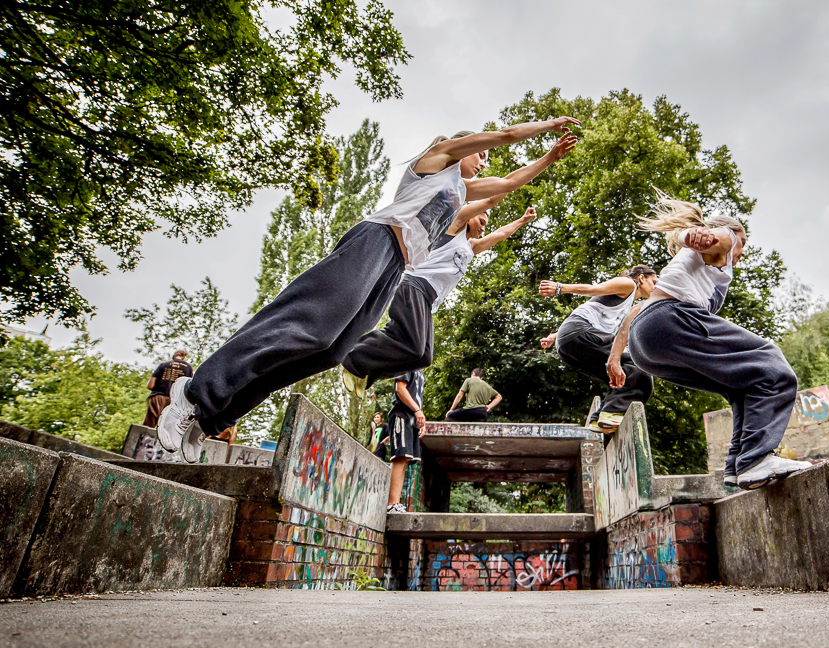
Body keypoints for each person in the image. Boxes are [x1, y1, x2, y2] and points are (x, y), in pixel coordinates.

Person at [157, 118, 580, 463]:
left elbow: (507, 184)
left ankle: (212, 418)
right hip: (375, 243)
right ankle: (194, 394)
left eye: (488, 157)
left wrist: (548, 157)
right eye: (481, 153)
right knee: (304, 325)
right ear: (460, 145)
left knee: (329, 350)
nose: (486, 160)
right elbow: (505, 136)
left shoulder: (460, 193)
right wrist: (549, 126)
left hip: (394, 270)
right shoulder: (435, 161)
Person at [606, 194, 810, 491]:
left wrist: (616, 354)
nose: (741, 253)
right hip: (669, 319)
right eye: (744, 244)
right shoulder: (726, 238)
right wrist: (690, 234)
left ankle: (741, 465)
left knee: (741, 384)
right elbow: (699, 237)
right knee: (770, 363)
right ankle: (756, 459)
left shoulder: (696, 268)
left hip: (645, 343)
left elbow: (634, 313)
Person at [342, 197, 538, 392]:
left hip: (427, 300)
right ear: (470, 217)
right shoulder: (454, 228)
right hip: (415, 284)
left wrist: (522, 220)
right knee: (415, 347)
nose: (483, 228)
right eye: (481, 222)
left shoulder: (471, 248)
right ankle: (354, 357)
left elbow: (500, 234)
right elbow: (488, 201)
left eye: (486, 225)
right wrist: (504, 190)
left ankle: (367, 372)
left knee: (424, 357)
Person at [538, 266, 657, 433]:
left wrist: (555, 336)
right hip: (581, 332)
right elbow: (594, 289)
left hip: (570, 341)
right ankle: (612, 412)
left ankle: (601, 420)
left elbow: (594, 314)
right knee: (639, 368)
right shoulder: (628, 285)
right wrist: (560, 287)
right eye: (654, 282)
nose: (655, 287)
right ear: (642, 278)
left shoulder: (628, 308)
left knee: (619, 376)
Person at [386, 370, 425, 514]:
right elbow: (400, 388)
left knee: (406, 460)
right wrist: (417, 410)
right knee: (400, 456)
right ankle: (391, 504)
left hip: (412, 419)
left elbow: (416, 397)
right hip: (401, 414)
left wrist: (420, 418)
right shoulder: (409, 360)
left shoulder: (421, 370)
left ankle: (395, 503)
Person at [142, 350, 194, 428]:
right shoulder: (189, 368)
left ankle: (143, 439)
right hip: (175, 402)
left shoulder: (163, 365)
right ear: (183, 357)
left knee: (148, 426)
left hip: (158, 398)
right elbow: (189, 387)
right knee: (168, 430)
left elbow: (150, 385)